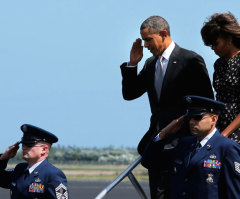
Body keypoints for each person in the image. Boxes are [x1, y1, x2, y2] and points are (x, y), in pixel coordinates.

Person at [120, 15, 214, 198]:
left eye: (148, 39)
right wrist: (132, 64)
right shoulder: (150, 64)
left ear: (163, 34)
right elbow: (129, 94)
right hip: (158, 146)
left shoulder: (190, 60)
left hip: (184, 145)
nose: (146, 45)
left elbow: (206, 102)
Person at [142, 95, 240, 198]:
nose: (192, 122)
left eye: (197, 117)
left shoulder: (227, 148)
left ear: (213, 119)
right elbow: (150, 161)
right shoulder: (184, 144)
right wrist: (164, 133)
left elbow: (234, 193)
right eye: (190, 117)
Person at [0, 124, 69, 199]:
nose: (23, 147)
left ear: (44, 149)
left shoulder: (53, 174)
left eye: (29, 144)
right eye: (23, 144)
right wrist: (3, 158)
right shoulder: (19, 169)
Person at [201, 12, 240, 143]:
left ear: (229, 38)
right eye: (210, 45)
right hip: (220, 128)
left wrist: (225, 134)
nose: (213, 48)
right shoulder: (219, 64)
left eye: (215, 43)